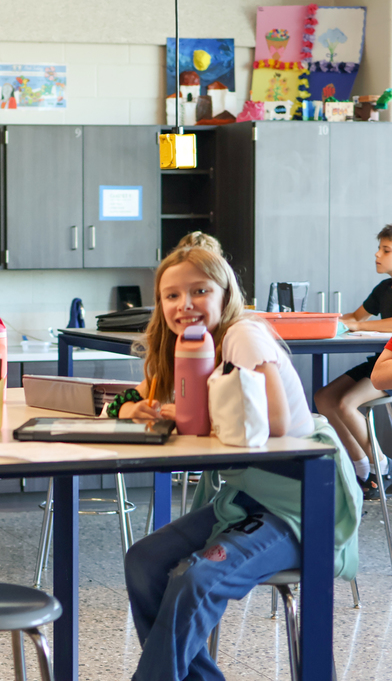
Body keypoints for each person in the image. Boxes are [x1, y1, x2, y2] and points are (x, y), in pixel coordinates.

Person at [118, 245, 361, 681]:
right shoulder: (191, 345)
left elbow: (276, 420)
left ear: (225, 292)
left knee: (196, 581)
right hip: (247, 499)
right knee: (144, 560)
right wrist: (131, 408)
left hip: (297, 506)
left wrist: (196, 414)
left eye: (199, 290)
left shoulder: (241, 335)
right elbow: (143, 397)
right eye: (171, 296)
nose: (184, 304)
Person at [315, 224, 392, 499]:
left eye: (386, 250)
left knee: (346, 403)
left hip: (389, 370)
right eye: (379, 249)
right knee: (324, 397)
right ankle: (362, 470)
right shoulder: (383, 287)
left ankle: (382, 468)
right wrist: (323, 321)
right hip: (378, 362)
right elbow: (356, 318)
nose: (377, 255)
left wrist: (357, 327)